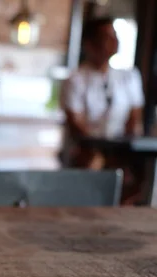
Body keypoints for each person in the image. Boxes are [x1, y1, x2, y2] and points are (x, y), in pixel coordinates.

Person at [60, 16, 145, 202]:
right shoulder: (76, 79)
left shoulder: (129, 77)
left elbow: (134, 119)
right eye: (107, 36)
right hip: (88, 151)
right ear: (90, 44)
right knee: (93, 165)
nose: (114, 41)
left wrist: (123, 150)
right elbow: (76, 123)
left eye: (115, 35)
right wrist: (101, 150)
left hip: (121, 151)